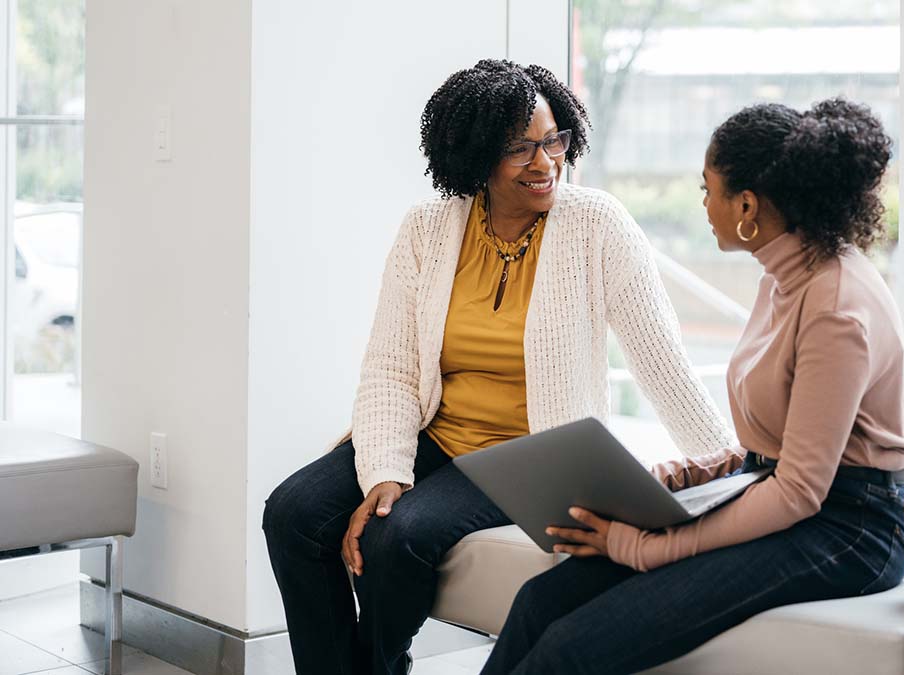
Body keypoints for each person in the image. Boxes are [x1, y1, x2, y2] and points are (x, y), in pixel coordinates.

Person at [261, 59, 735, 675]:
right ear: (477, 155)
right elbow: (391, 367)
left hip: (526, 452)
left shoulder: (596, 225)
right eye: (520, 149)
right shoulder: (427, 229)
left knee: (397, 535)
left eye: (554, 141)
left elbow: (661, 362)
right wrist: (386, 470)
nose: (546, 163)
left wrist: (735, 471)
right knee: (292, 513)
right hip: (435, 434)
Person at [483, 99, 904, 675]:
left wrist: (647, 547)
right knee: (540, 602)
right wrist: (673, 480)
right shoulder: (785, 277)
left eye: (707, 189)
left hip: (852, 528)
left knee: (572, 648)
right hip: (785, 490)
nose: (704, 205)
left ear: (747, 206)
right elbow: (775, 449)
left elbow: (798, 491)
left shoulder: (836, 307)